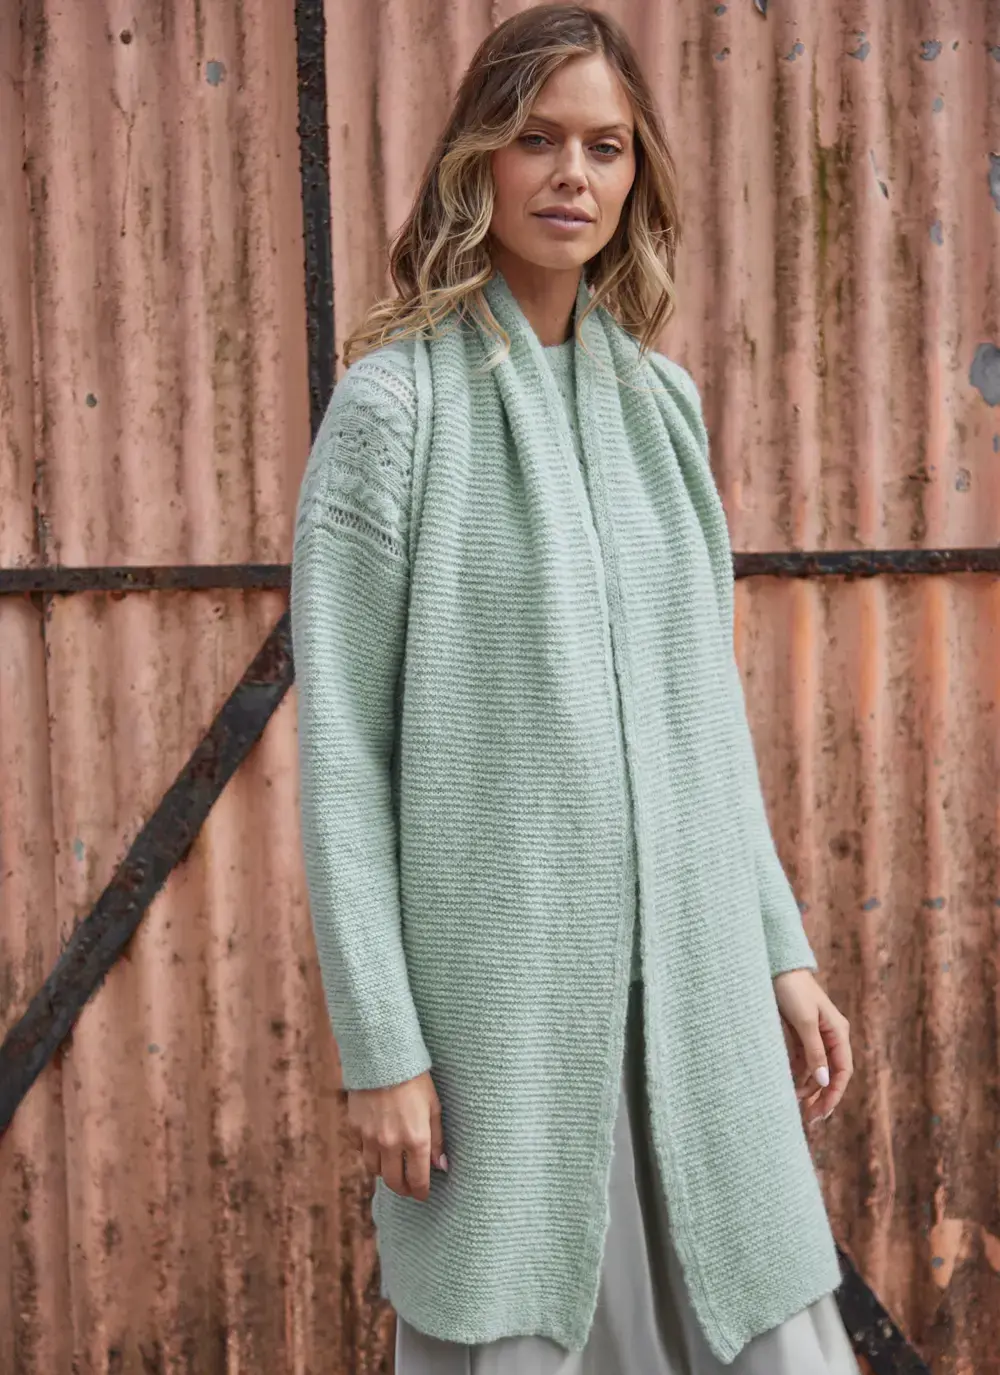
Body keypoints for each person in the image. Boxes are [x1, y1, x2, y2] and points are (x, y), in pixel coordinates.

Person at [290, 6, 861, 1373]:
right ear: (476, 161)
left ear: (635, 173)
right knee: (522, 1328)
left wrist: (779, 949)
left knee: (771, 1328)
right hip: (508, 1018)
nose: (572, 175)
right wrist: (381, 1045)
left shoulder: (664, 407)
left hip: (699, 990)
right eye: (537, 139)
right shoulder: (393, 411)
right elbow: (343, 757)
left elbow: (701, 720)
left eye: (605, 147)